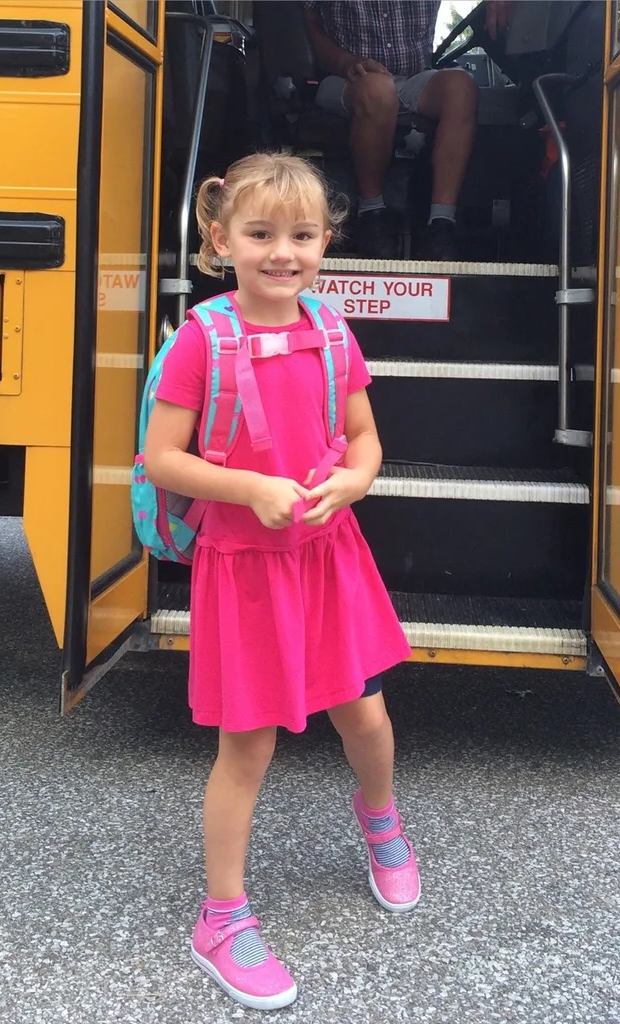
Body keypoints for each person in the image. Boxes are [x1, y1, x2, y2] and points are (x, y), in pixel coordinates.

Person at [143, 152, 417, 1011]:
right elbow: (162, 458)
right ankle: (221, 918)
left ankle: (381, 818)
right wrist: (251, 489)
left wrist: (356, 481)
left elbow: (364, 436)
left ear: (326, 241)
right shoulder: (202, 338)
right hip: (246, 571)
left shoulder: (332, 332)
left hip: (328, 557)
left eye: (302, 235)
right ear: (221, 240)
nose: (282, 252)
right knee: (248, 746)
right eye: (261, 234)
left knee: (364, 715)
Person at [302, 0, 513, 260]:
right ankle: (371, 215)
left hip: (414, 78)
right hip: (345, 77)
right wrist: (346, 62)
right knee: (379, 91)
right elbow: (309, 19)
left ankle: (441, 224)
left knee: (461, 87)